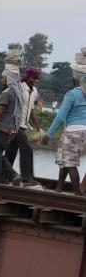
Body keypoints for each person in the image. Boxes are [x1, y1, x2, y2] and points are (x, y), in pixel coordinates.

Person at [41, 49, 86, 195]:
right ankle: (59, 190)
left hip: (73, 132)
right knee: (65, 161)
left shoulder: (72, 94)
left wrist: (48, 135)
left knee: (70, 164)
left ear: (76, 79)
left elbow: (60, 117)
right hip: (83, 132)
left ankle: (77, 196)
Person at [4, 67, 42, 188]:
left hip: (24, 125)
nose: (34, 80)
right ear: (27, 76)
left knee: (11, 151)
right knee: (27, 149)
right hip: (15, 124)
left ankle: (4, 176)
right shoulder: (19, 88)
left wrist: (37, 126)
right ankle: (27, 178)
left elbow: (30, 110)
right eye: (32, 78)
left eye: (36, 78)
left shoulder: (34, 91)